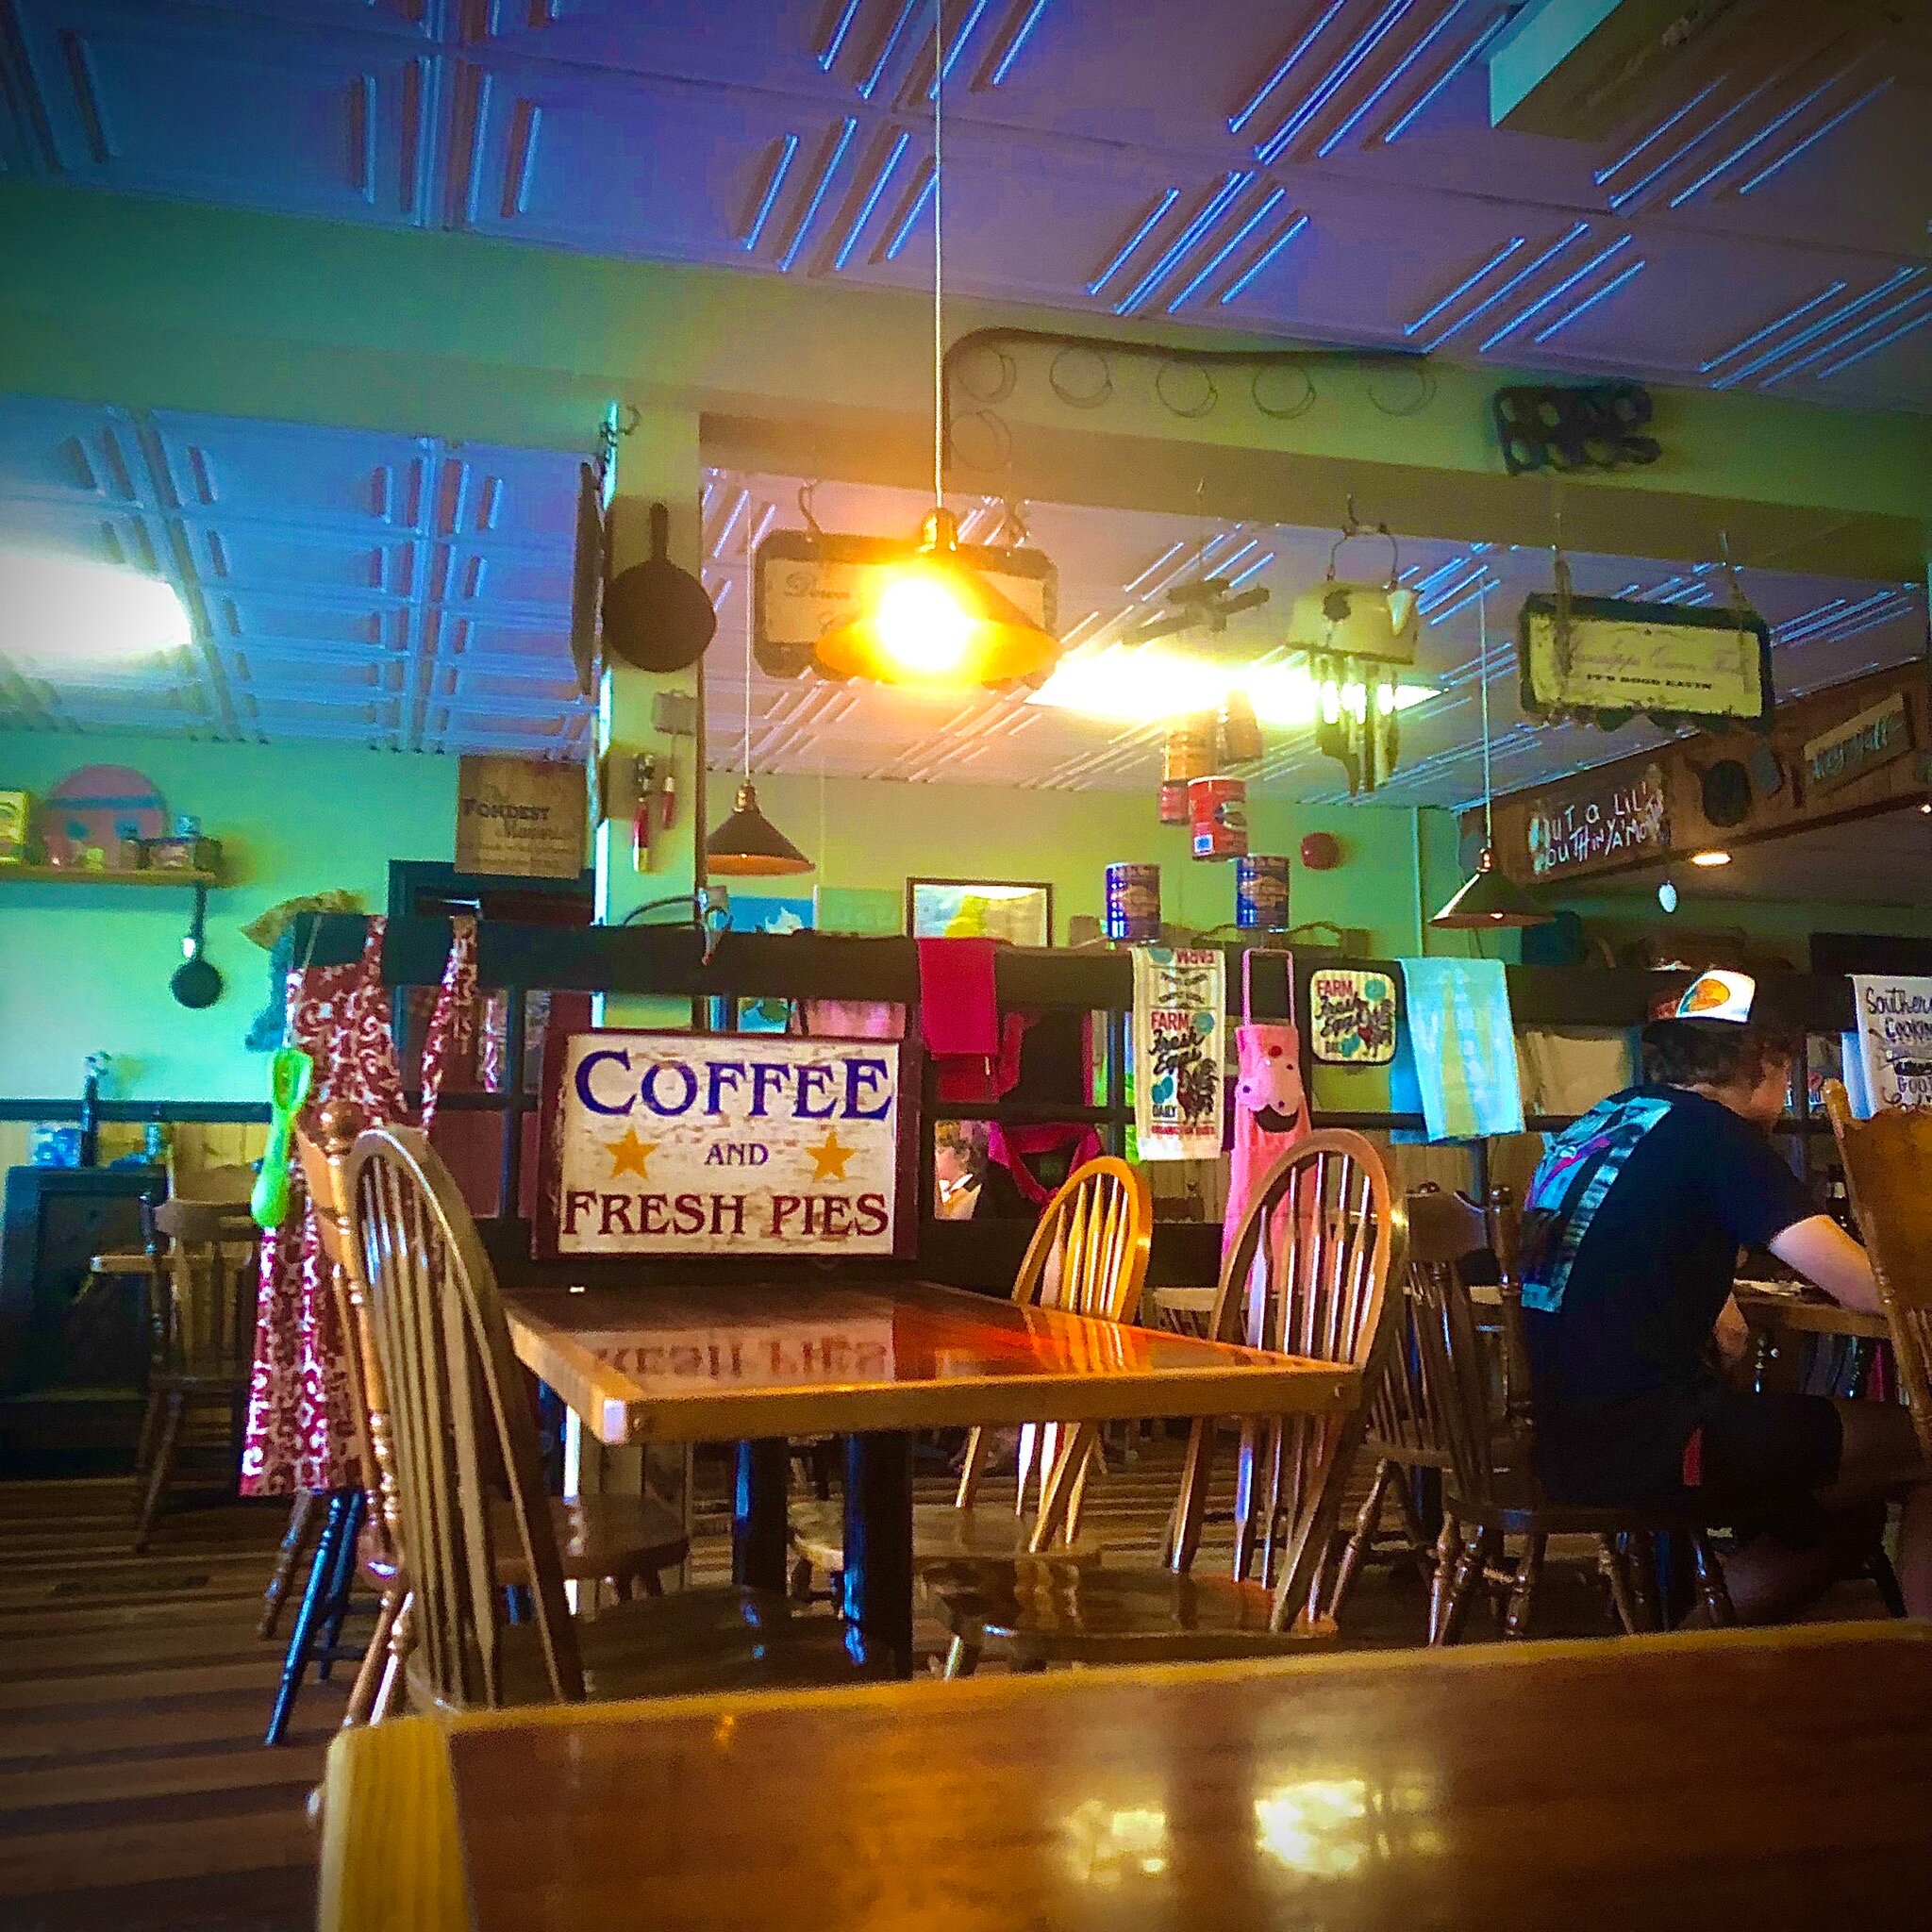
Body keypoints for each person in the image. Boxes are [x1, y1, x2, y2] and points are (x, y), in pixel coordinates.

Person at [1520, 968, 1931, 1623]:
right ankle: (1915, 1663)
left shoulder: (1607, 1121)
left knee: (1846, 1520)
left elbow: (1627, 1242)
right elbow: (1869, 1286)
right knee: (1924, 1446)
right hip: (1655, 1441)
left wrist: (1716, 1299)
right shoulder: (1718, 1137)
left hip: (1562, 1436)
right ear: (1765, 1060)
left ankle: (1687, 1656)